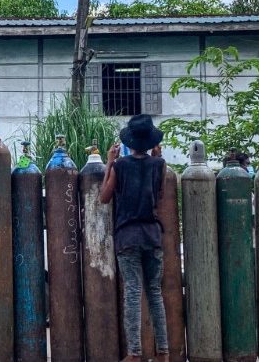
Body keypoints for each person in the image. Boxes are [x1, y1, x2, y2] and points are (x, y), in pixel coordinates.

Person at [100, 114, 169, 362]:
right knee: (155, 294)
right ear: (151, 142)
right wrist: (157, 158)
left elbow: (104, 197)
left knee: (132, 292)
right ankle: (163, 353)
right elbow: (159, 196)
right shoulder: (159, 165)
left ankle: (135, 354)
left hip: (128, 237)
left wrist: (110, 162)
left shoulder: (121, 166)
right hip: (152, 236)